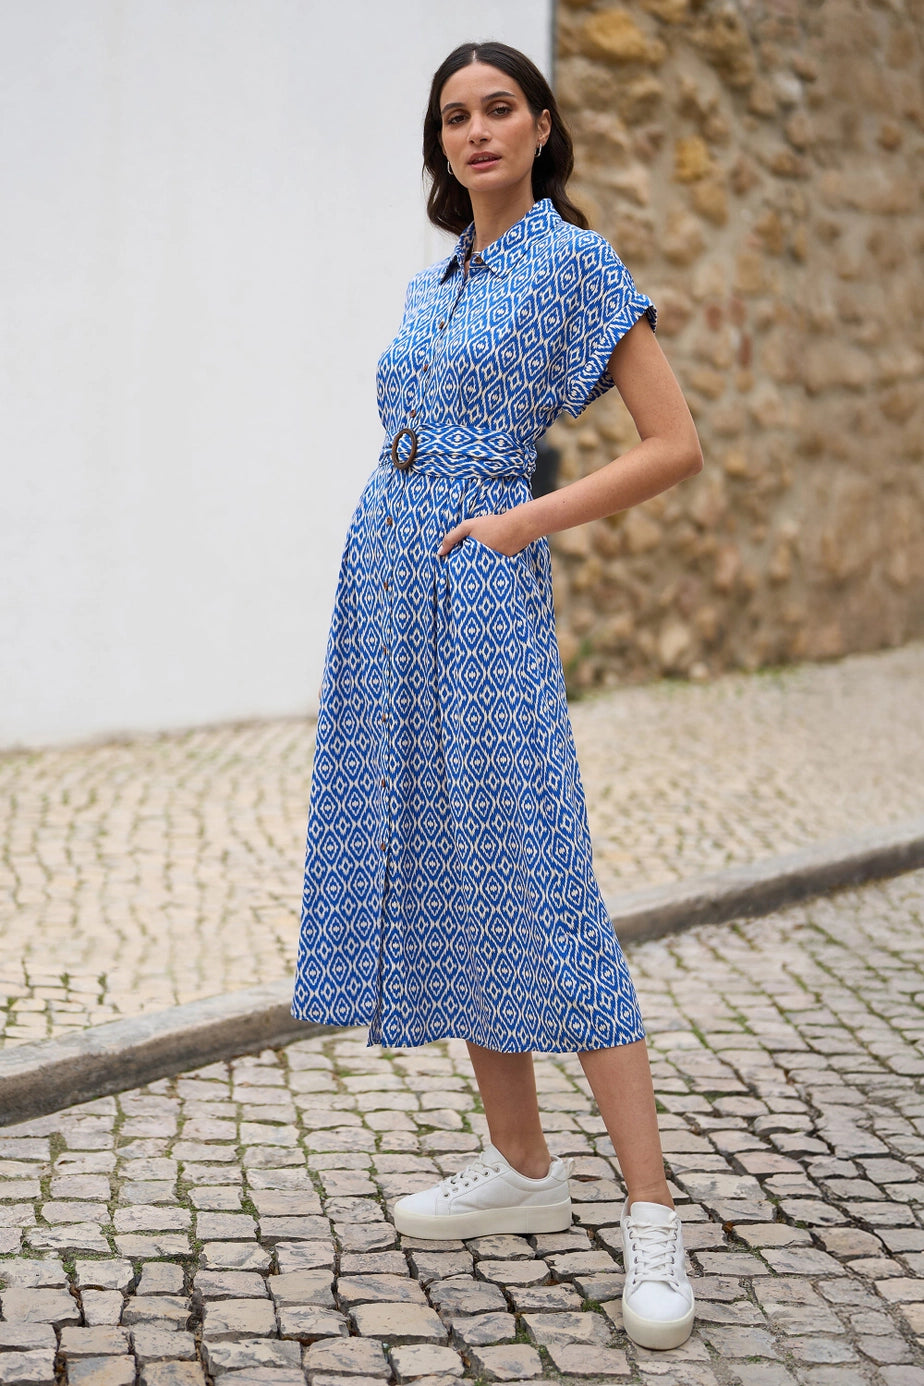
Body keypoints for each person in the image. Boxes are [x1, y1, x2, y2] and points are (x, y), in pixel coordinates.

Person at [291, 40, 703, 1351]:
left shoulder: (575, 262)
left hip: (479, 583)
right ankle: (521, 1162)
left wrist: (523, 521)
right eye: (454, 115)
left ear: (540, 126)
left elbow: (674, 444)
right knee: (446, 867)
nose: (476, 132)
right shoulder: (436, 280)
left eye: (498, 109)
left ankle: (652, 1212)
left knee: (539, 878)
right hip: (386, 586)